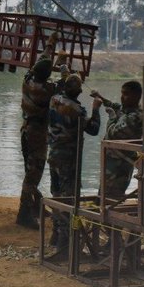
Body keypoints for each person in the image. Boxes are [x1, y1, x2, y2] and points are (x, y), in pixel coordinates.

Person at [45, 73, 102, 259]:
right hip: (68, 158)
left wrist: (66, 75)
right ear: (78, 91)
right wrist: (96, 108)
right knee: (68, 198)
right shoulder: (77, 110)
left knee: (56, 194)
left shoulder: (54, 99)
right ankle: (65, 246)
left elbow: (61, 85)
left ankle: (56, 235)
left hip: (53, 154)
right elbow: (93, 129)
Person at [16, 36, 59, 229]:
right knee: (34, 173)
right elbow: (66, 86)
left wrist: (49, 45)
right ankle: (24, 213)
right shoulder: (46, 90)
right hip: (37, 135)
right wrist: (64, 69)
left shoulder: (28, 80)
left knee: (30, 169)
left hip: (26, 131)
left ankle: (35, 206)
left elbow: (40, 61)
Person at [92, 80, 144, 200]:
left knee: (110, 199)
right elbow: (115, 106)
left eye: (126, 94)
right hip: (112, 163)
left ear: (136, 96)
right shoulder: (127, 110)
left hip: (119, 166)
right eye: (121, 93)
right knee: (103, 196)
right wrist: (100, 98)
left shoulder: (134, 117)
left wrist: (111, 117)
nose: (122, 97)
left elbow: (112, 133)